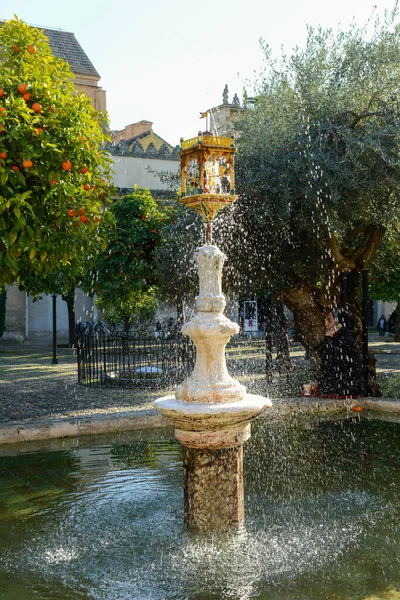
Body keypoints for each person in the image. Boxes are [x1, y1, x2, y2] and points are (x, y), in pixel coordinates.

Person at [306, 308, 364, 398]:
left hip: (344, 391)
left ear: (339, 325)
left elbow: (327, 356)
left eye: (329, 321)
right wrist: (317, 382)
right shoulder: (338, 339)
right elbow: (327, 366)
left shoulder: (344, 341)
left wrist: (327, 338)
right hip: (339, 388)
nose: (325, 324)